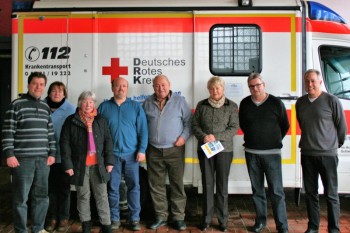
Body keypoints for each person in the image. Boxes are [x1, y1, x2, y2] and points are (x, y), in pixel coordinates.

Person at [1, 72, 56, 233]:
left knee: (41, 197)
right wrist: (9, 154)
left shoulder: (46, 107)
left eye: (41, 84)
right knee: (21, 199)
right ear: (28, 85)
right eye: (35, 83)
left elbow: (50, 133)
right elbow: (7, 132)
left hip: (43, 160)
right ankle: (21, 230)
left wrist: (52, 153)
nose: (38, 87)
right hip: (22, 160)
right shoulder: (16, 105)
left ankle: (38, 229)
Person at [296, 69, 347, 233]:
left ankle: (334, 228)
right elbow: (303, 124)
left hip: (328, 155)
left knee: (331, 194)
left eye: (312, 81)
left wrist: (332, 146)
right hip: (307, 154)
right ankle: (313, 227)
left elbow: (341, 128)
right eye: (306, 81)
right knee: (311, 194)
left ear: (319, 82)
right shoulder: (301, 103)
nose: (309, 84)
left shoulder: (332, 100)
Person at [239, 73, 289, 233]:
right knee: (257, 190)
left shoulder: (276, 103)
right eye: (251, 86)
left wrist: (272, 140)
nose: (255, 88)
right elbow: (243, 125)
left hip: (272, 154)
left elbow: (284, 126)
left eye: (258, 85)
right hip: (252, 153)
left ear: (264, 84)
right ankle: (260, 222)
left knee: (276, 191)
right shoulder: (245, 103)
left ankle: (282, 226)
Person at [60, 91, 115, 233]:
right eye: (85, 101)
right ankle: (86, 224)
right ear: (80, 103)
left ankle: (106, 225)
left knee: (102, 196)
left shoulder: (101, 120)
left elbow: (108, 141)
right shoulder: (71, 120)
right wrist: (68, 164)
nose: (88, 104)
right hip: (80, 166)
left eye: (91, 102)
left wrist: (109, 162)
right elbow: (64, 143)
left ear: (94, 104)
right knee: (83, 196)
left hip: (99, 165)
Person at [142, 74, 192, 231]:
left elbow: (189, 123)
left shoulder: (180, 101)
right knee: (156, 185)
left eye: (163, 85)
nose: (160, 88)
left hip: (175, 150)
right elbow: (142, 125)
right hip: (154, 150)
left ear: (169, 85)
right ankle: (161, 216)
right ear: (153, 88)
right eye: (157, 85)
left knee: (177, 184)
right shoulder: (147, 103)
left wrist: (183, 138)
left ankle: (178, 217)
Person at [98, 77, 148, 231]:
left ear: (127, 88)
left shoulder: (135, 107)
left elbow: (143, 130)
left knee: (134, 187)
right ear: (112, 88)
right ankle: (114, 219)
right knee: (112, 188)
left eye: (124, 86)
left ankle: (134, 219)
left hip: (132, 154)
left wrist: (142, 149)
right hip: (111, 156)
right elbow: (97, 132)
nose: (121, 88)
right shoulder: (104, 107)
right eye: (118, 86)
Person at [192, 76, 239, 232]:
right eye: (212, 88)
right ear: (209, 90)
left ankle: (222, 220)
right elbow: (194, 124)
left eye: (217, 88)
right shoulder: (201, 105)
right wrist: (204, 137)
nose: (215, 91)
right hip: (205, 149)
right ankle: (206, 219)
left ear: (223, 89)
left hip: (224, 151)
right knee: (207, 184)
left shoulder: (231, 106)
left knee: (222, 186)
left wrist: (216, 137)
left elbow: (233, 128)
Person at [44, 82, 75, 232]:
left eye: (60, 91)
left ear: (64, 94)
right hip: (45, 157)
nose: (57, 93)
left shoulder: (71, 109)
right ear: (49, 93)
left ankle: (63, 218)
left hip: (63, 157)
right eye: (54, 91)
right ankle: (52, 218)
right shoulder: (41, 106)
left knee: (63, 189)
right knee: (49, 189)